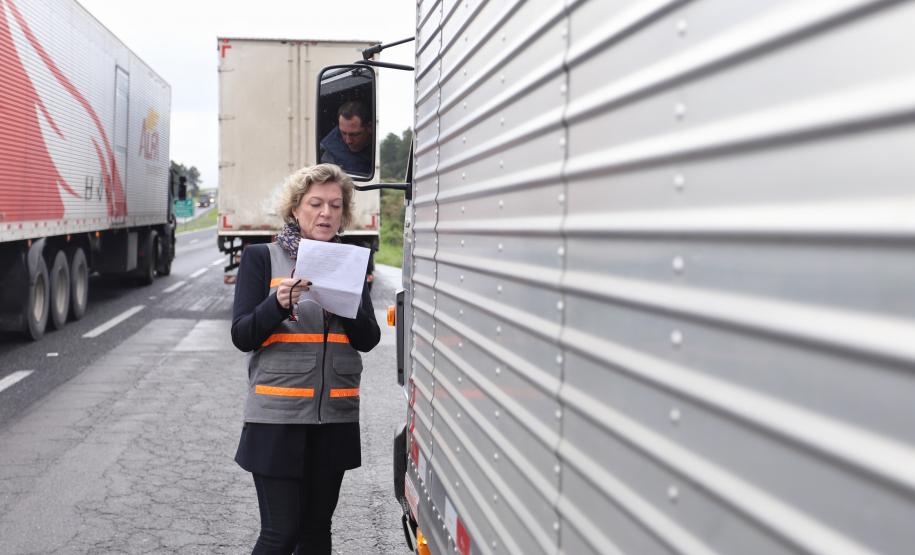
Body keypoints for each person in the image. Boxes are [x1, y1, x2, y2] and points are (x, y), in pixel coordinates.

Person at [230, 163, 380, 554]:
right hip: (277, 420)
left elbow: (368, 339)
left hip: (334, 419)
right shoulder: (262, 258)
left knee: (316, 533)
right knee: (282, 532)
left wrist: (351, 306)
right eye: (315, 204)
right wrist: (276, 304)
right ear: (295, 209)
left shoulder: (352, 260)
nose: (326, 213)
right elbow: (242, 334)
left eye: (335, 205)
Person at [319, 100, 373, 175]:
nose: (348, 141)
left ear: (370, 127)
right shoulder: (328, 151)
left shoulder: (379, 145)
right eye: (343, 133)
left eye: (354, 134)